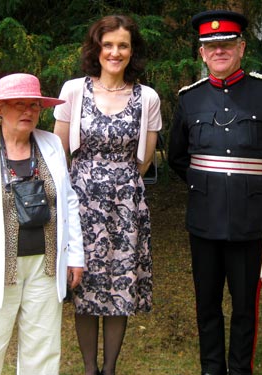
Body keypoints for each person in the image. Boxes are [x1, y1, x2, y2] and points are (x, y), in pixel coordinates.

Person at [168, 10, 262, 375]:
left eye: (227, 44)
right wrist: (207, 187)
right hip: (204, 222)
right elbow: (178, 156)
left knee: (245, 305)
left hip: (250, 221)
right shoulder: (190, 99)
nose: (219, 51)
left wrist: (261, 192)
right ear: (202, 54)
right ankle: (212, 368)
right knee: (206, 303)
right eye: (211, 47)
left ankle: (240, 369)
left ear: (241, 47)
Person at [0, 73, 84, 375]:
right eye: (18, 104)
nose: (27, 111)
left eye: (34, 105)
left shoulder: (50, 143)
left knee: (44, 347)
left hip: (46, 265)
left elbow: (68, 202)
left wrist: (75, 255)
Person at [53, 14, 162, 375]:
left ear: (132, 51)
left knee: (119, 288)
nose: (115, 52)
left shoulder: (147, 98)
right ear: (96, 48)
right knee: (85, 286)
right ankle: (89, 368)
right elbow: (58, 152)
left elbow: (143, 162)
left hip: (126, 207)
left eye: (123, 45)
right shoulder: (73, 91)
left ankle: (110, 369)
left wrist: (117, 183)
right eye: (108, 44)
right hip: (81, 202)